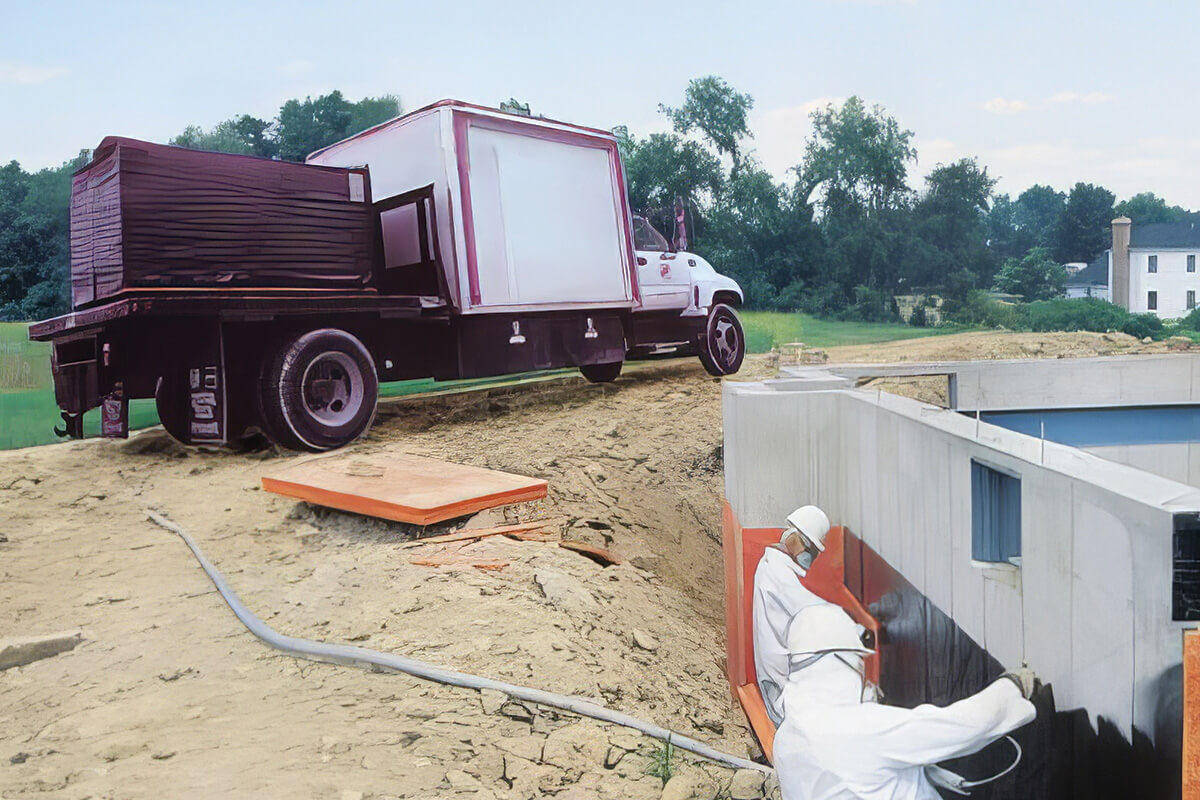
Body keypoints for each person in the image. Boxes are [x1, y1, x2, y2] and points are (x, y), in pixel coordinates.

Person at [773, 604, 1038, 800]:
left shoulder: (787, 736)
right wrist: (1011, 688)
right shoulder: (854, 728)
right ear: (838, 662)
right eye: (857, 663)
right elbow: (959, 728)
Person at [752, 504, 831, 725]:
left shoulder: (772, 563)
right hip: (782, 692)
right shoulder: (778, 572)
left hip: (778, 677)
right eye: (812, 550)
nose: (811, 557)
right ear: (797, 539)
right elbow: (812, 610)